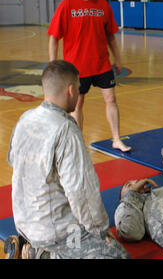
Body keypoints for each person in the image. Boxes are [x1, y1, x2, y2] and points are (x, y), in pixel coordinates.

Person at [5, 60, 129, 259]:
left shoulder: (25, 119)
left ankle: (31, 246)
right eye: (79, 88)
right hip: (55, 233)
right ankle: (43, 254)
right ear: (70, 90)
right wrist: (99, 231)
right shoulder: (66, 129)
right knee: (118, 256)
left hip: (23, 223)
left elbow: (14, 161)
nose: (80, 92)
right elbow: (82, 191)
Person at [48, 0, 131, 152]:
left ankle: (116, 139)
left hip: (101, 64)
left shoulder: (103, 6)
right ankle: (78, 144)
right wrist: (54, 64)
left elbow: (110, 36)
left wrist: (117, 59)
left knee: (111, 99)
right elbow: (54, 37)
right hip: (77, 67)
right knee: (78, 105)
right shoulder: (67, 5)